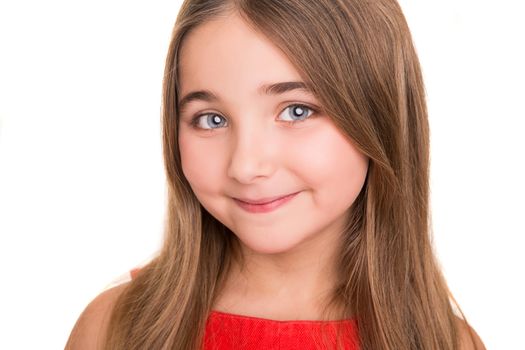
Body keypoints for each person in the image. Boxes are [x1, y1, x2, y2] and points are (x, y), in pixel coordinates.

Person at [65, 0, 486, 349]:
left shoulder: (447, 343)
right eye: (210, 119)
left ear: (380, 115)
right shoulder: (113, 328)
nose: (246, 166)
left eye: (296, 111)